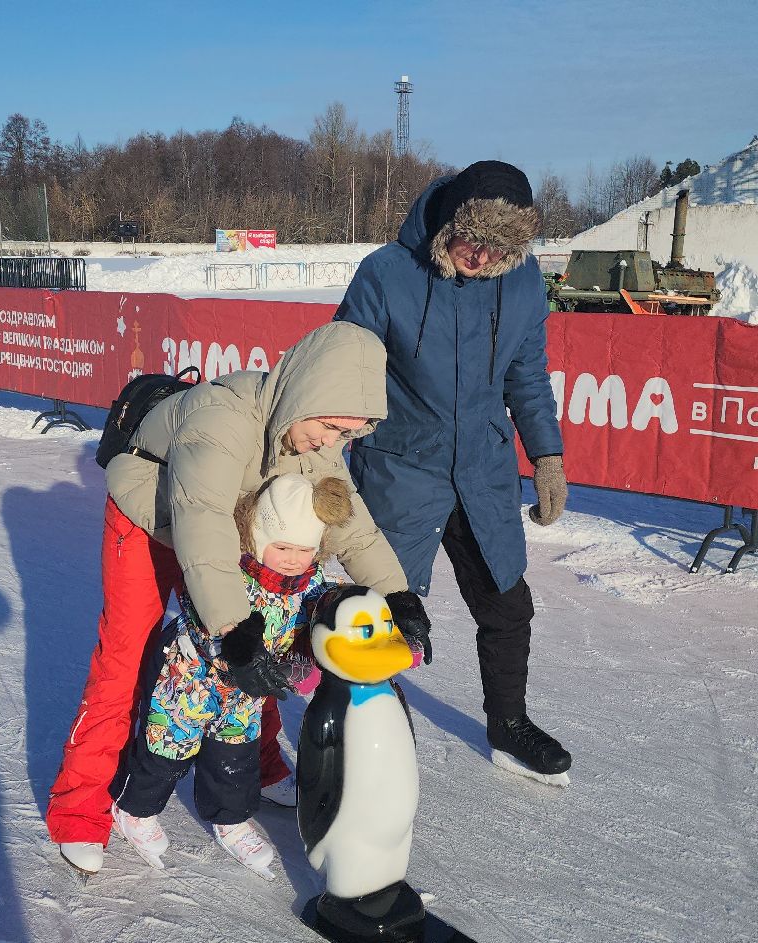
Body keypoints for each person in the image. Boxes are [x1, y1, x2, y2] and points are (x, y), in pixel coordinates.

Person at [46, 321, 431, 875]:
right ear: (308, 394)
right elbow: (200, 523)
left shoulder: (309, 433)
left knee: (266, 642)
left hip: (227, 528)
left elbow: (352, 527)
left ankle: (265, 767)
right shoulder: (221, 417)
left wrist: (398, 597)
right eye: (329, 426)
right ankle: (80, 811)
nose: (331, 442)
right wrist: (232, 627)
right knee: (127, 660)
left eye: (347, 433)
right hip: (148, 519)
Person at [335, 159, 573, 786]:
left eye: (500, 246)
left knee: (507, 604)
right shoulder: (388, 273)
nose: (482, 256)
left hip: (483, 472)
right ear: (452, 223)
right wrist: (324, 464)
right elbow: (341, 368)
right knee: (379, 612)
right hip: (401, 465)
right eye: (474, 238)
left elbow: (526, 376)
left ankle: (508, 723)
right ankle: (355, 738)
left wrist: (546, 455)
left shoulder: (520, 282)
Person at [107, 474, 348, 879]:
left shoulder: (311, 583)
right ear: (256, 537)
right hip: (189, 680)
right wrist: (238, 646)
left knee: (235, 758)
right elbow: (201, 608)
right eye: (283, 546)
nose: (293, 558)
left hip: (244, 694)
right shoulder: (231, 571)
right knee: (166, 751)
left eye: (304, 550)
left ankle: (231, 821)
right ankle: (135, 810)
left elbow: (325, 610)